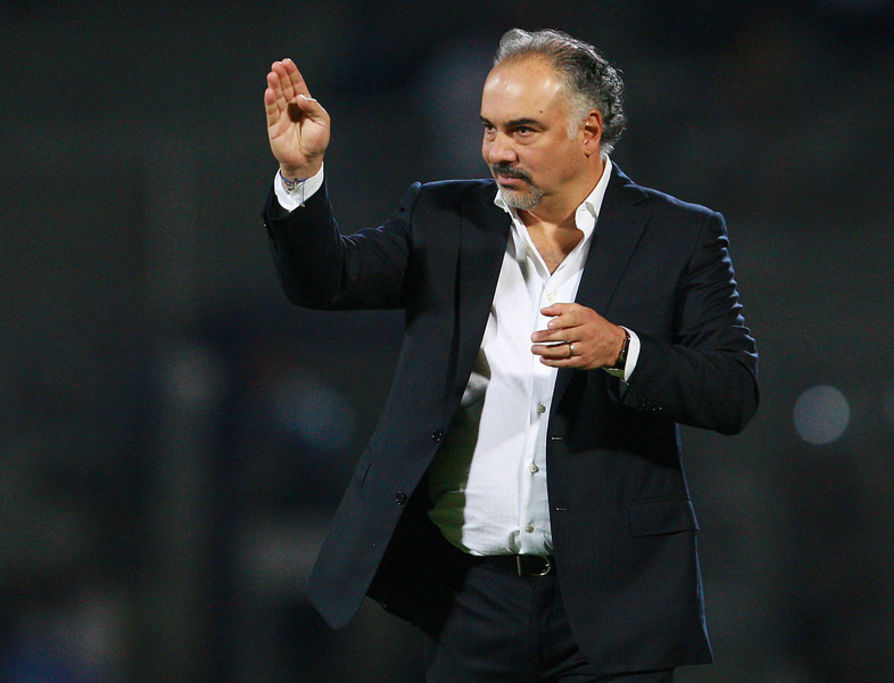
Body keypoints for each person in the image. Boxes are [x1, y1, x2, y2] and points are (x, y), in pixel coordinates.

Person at [261, 28, 758, 682]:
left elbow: (732, 390)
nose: (498, 151)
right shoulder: (441, 217)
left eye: (523, 130)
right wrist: (300, 178)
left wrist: (624, 350)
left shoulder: (680, 234)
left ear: (588, 131)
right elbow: (328, 281)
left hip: (614, 598)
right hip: (471, 599)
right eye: (489, 129)